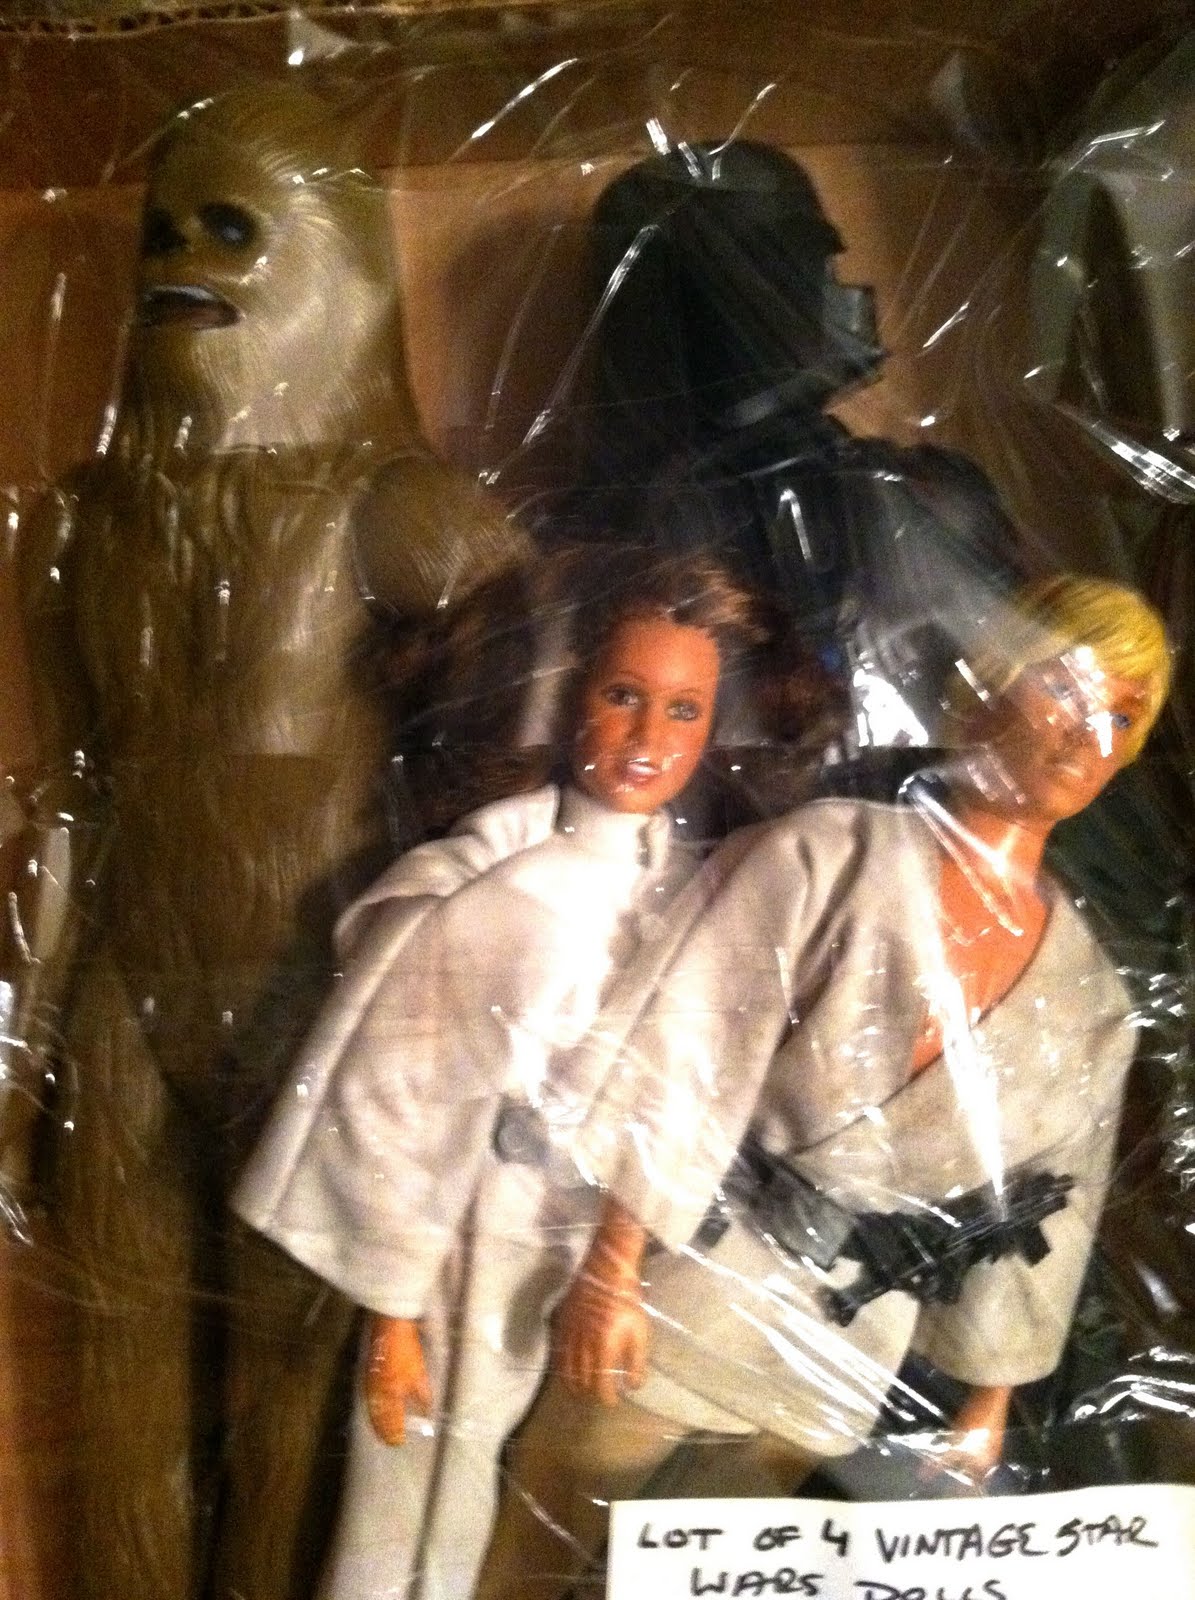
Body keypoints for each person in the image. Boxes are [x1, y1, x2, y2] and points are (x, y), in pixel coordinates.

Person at [476, 574, 1171, 1599]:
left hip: (845, 1341)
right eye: (1064, 691)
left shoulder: (1089, 998)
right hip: (686, 1287)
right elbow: (686, 1045)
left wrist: (985, 1404)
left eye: (1119, 714)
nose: (1084, 736)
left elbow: (1046, 1211)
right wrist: (613, 1265)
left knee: (700, 1579)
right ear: (990, 687)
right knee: (536, 1549)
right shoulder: (829, 854)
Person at [233, 549, 775, 1599]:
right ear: (570, 700)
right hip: (461, 1224)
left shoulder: (687, 886)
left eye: (683, 710)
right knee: (406, 1482)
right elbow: (397, 1097)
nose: (648, 737)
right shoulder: (513, 886)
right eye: (622, 697)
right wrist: (392, 1307)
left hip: (572, 1238)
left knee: (481, 1474)